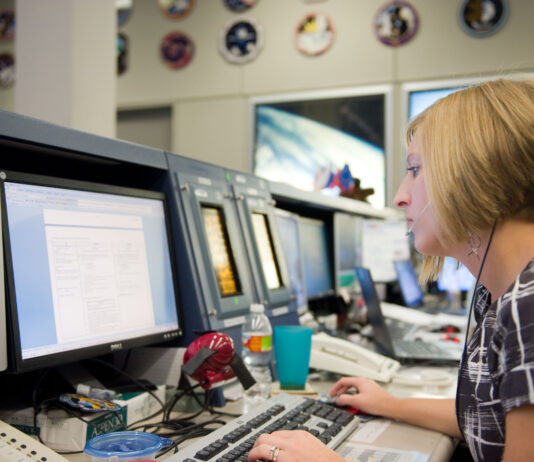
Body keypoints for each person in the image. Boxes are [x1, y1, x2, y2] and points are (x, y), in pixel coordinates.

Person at [248, 77, 534, 462]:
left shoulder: (528, 306)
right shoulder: (497, 293)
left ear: (475, 175)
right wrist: (387, 403)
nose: (400, 195)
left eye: (415, 169)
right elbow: (486, 415)